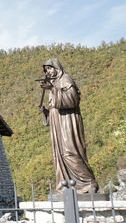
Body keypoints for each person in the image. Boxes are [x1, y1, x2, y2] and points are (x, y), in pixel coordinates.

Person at [39, 59, 98, 194]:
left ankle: (88, 182)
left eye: (49, 68)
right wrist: (46, 112)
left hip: (68, 121)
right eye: (46, 70)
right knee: (59, 154)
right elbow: (55, 106)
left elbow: (72, 100)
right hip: (57, 122)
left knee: (69, 152)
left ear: (57, 68)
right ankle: (67, 186)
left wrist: (53, 89)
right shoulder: (54, 84)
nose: (47, 72)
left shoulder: (65, 79)